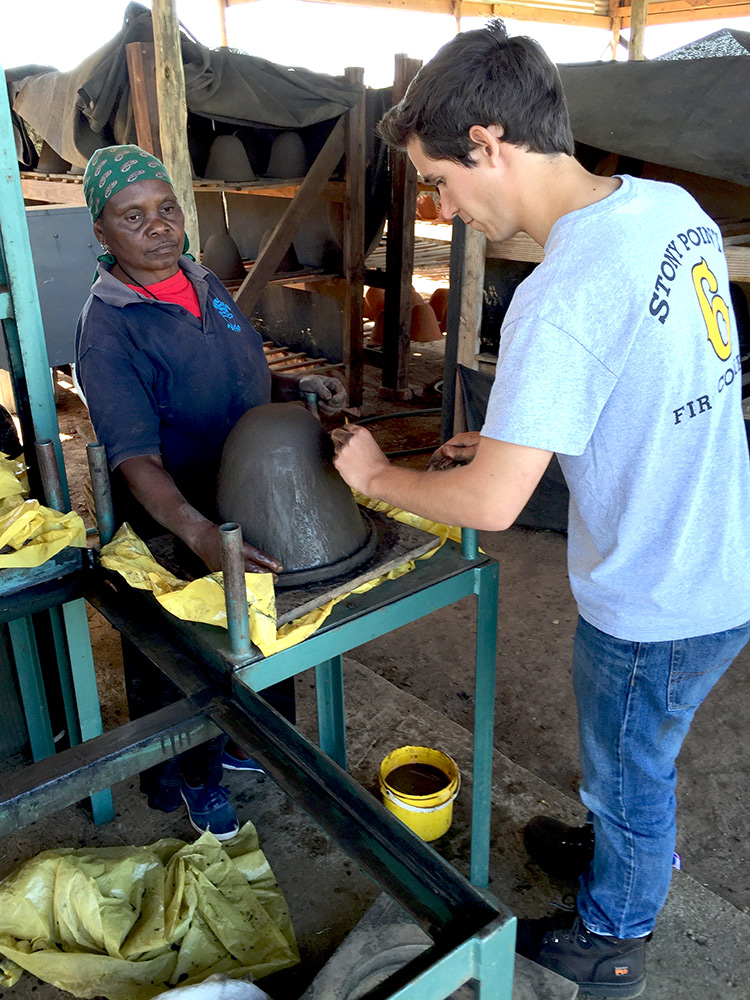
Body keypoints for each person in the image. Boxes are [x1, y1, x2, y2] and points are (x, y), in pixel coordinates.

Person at [331, 20, 750, 999]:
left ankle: (613, 933)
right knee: (632, 755)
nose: (444, 207)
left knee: (631, 771)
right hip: (719, 555)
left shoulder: (561, 292)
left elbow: (489, 505)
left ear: (487, 141)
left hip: (658, 596)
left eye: (438, 181)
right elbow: (643, 384)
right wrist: (518, 433)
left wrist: (371, 475)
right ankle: (617, 847)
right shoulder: (666, 209)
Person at [75, 144, 347, 841]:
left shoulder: (202, 280)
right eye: (133, 217)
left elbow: (239, 369)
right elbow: (135, 458)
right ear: (102, 233)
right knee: (191, 652)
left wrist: (296, 386)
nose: (158, 227)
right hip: (176, 515)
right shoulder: (108, 328)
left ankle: (240, 744)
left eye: (166, 208)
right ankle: (195, 782)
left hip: (245, 494)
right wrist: (194, 532)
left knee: (260, 631)